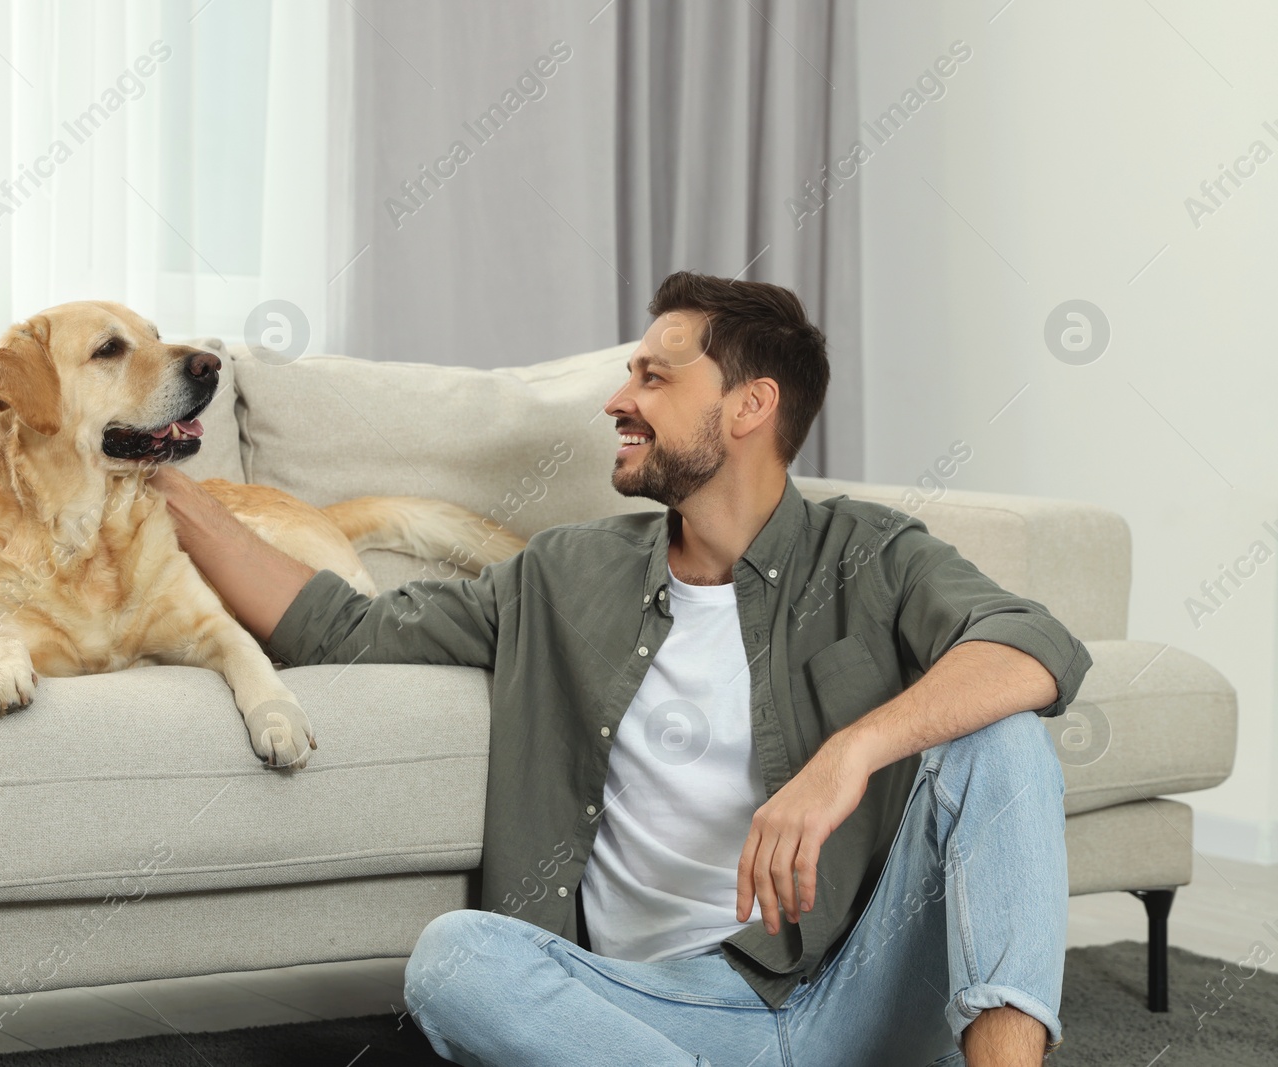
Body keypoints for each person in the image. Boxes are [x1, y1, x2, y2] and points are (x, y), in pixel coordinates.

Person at [151, 271, 1090, 1067]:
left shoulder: (869, 552)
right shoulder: (566, 572)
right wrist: (157, 477)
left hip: (856, 987)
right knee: (452, 960)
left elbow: (1032, 645)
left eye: (653, 375)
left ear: (750, 404)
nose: (617, 399)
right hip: (648, 1010)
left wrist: (845, 758)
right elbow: (339, 626)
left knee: (1003, 737)